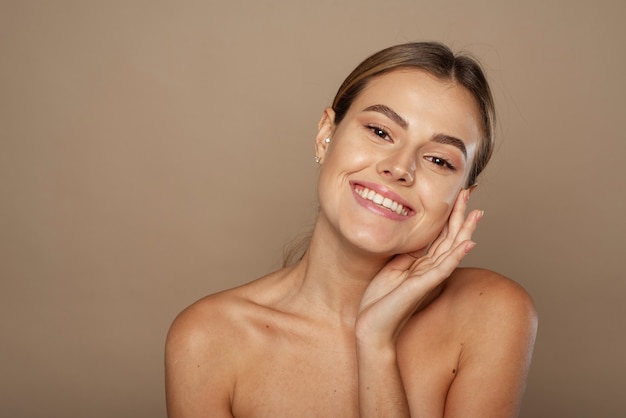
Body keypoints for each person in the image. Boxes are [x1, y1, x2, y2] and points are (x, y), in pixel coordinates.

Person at [165, 42, 537, 417]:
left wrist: (376, 342)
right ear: (326, 134)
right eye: (379, 131)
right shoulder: (209, 339)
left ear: (462, 197)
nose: (399, 167)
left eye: (439, 160)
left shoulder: (491, 312)